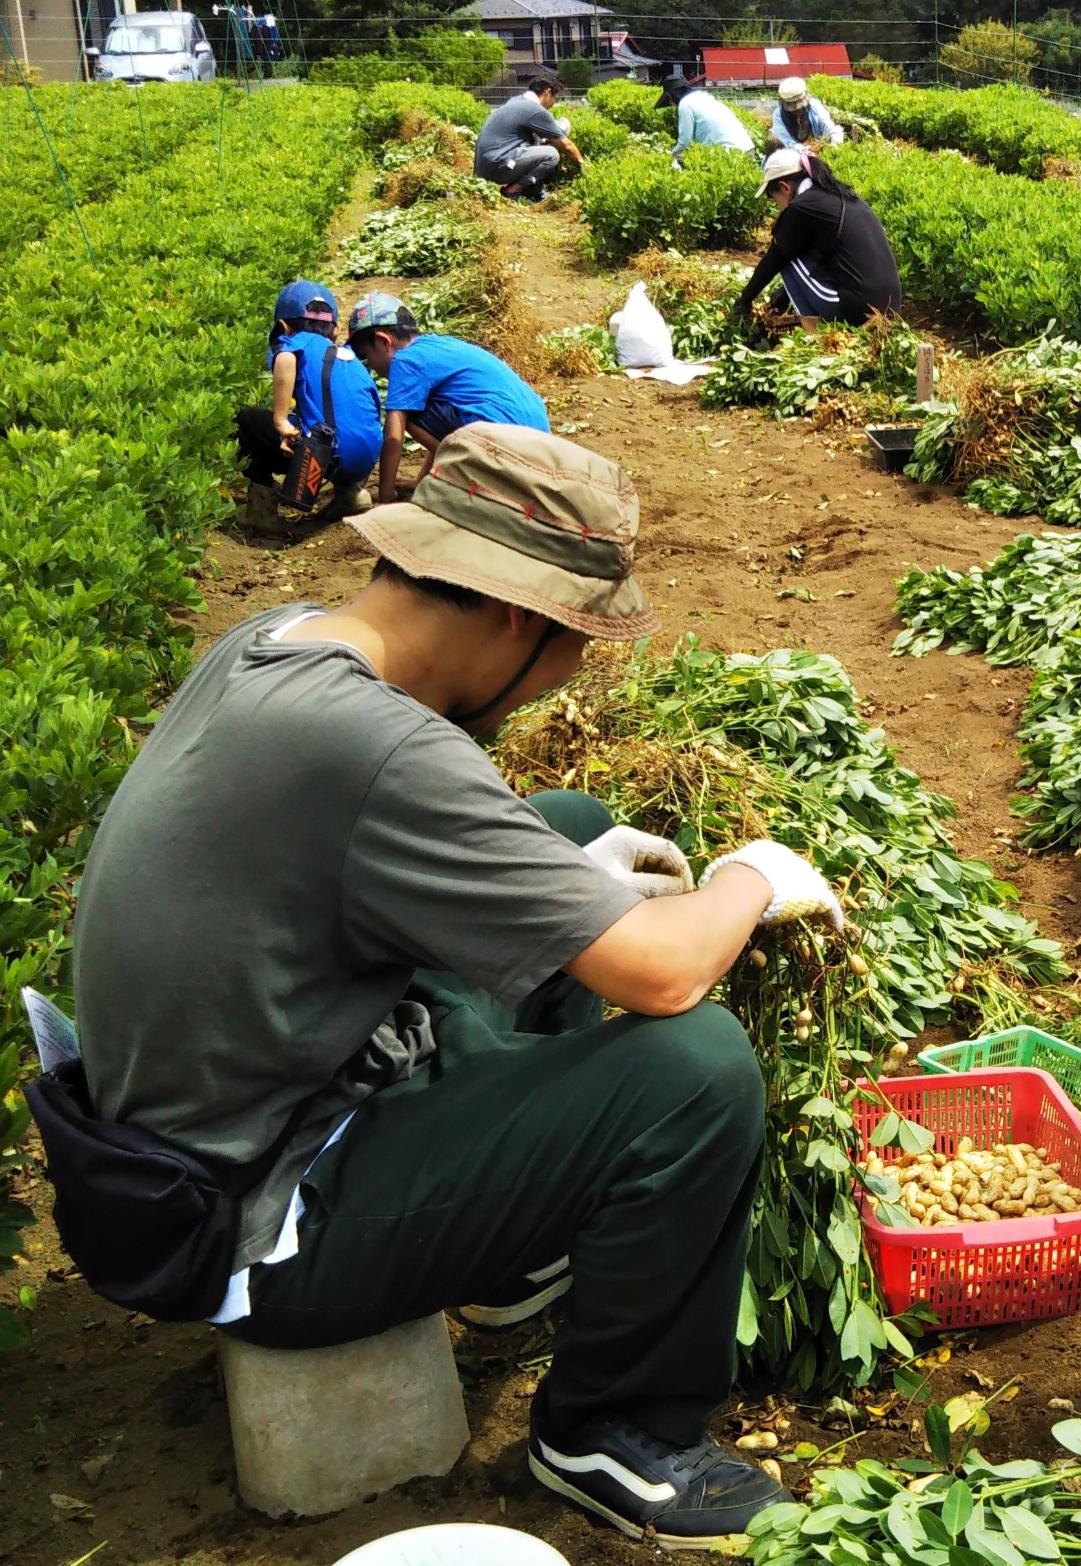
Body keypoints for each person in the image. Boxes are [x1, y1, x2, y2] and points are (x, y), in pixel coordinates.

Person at [69, 422, 843, 1542]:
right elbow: (665, 976)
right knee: (695, 1068)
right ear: (523, 618)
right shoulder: (376, 747)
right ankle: (613, 1436)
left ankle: (510, 1251)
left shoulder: (278, 640)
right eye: (578, 639)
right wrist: (748, 879)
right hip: (248, 1225)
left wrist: (578, 881)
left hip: (198, 1130)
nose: (570, 672)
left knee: (565, 829)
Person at [347, 293, 549, 501]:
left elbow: (393, 437)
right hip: (539, 439)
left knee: (404, 415)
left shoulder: (405, 361)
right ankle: (474, 469)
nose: (369, 365)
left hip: (507, 444)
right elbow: (442, 423)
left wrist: (386, 494)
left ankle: (478, 474)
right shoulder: (439, 345)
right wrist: (420, 482)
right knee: (417, 407)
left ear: (383, 342)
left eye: (365, 356)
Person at [235, 279, 383, 518]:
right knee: (334, 423)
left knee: (245, 421)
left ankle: (261, 510)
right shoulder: (349, 356)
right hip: (366, 456)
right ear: (334, 330)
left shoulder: (294, 344)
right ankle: (350, 493)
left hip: (324, 456)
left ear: (284, 326)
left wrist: (281, 420)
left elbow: (285, 359)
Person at [733, 148, 902, 328]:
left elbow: (775, 259)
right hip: (890, 308)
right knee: (792, 248)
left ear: (784, 187)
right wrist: (782, 296)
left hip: (857, 311)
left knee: (785, 255)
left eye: (773, 197)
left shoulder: (802, 207)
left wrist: (745, 300)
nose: (777, 205)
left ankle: (812, 332)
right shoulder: (841, 196)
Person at [474, 72, 584, 200]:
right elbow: (566, 145)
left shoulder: (515, 101)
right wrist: (584, 168)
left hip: (483, 167)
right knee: (551, 155)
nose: (554, 103)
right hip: (496, 165)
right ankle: (512, 191)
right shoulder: (534, 110)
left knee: (540, 146)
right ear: (547, 92)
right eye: (555, 98)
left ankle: (531, 191)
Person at [659, 74, 755, 164]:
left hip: (730, 155)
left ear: (670, 97)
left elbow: (685, 141)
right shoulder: (703, 97)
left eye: (670, 103)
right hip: (748, 148)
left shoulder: (685, 104)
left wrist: (669, 156)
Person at [768, 75, 845, 152]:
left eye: (801, 106)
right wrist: (807, 150)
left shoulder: (814, 106)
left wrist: (835, 141)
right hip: (790, 154)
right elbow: (788, 143)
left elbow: (830, 127)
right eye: (793, 107)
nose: (798, 109)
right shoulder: (778, 115)